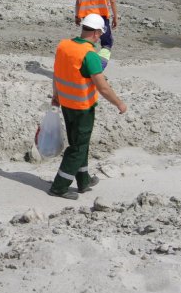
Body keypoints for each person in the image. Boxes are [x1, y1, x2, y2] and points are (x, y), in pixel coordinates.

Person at [49, 13, 127, 200]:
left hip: (66, 104)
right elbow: (103, 87)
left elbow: (57, 73)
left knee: (80, 144)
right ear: (97, 33)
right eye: (100, 34)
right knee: (77, 148)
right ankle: (59, 186)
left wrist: (56, 95)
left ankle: (83, 181)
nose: (100, 37)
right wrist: (119, 103)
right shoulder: (90, 55)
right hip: (82, 108)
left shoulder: (64, 45)